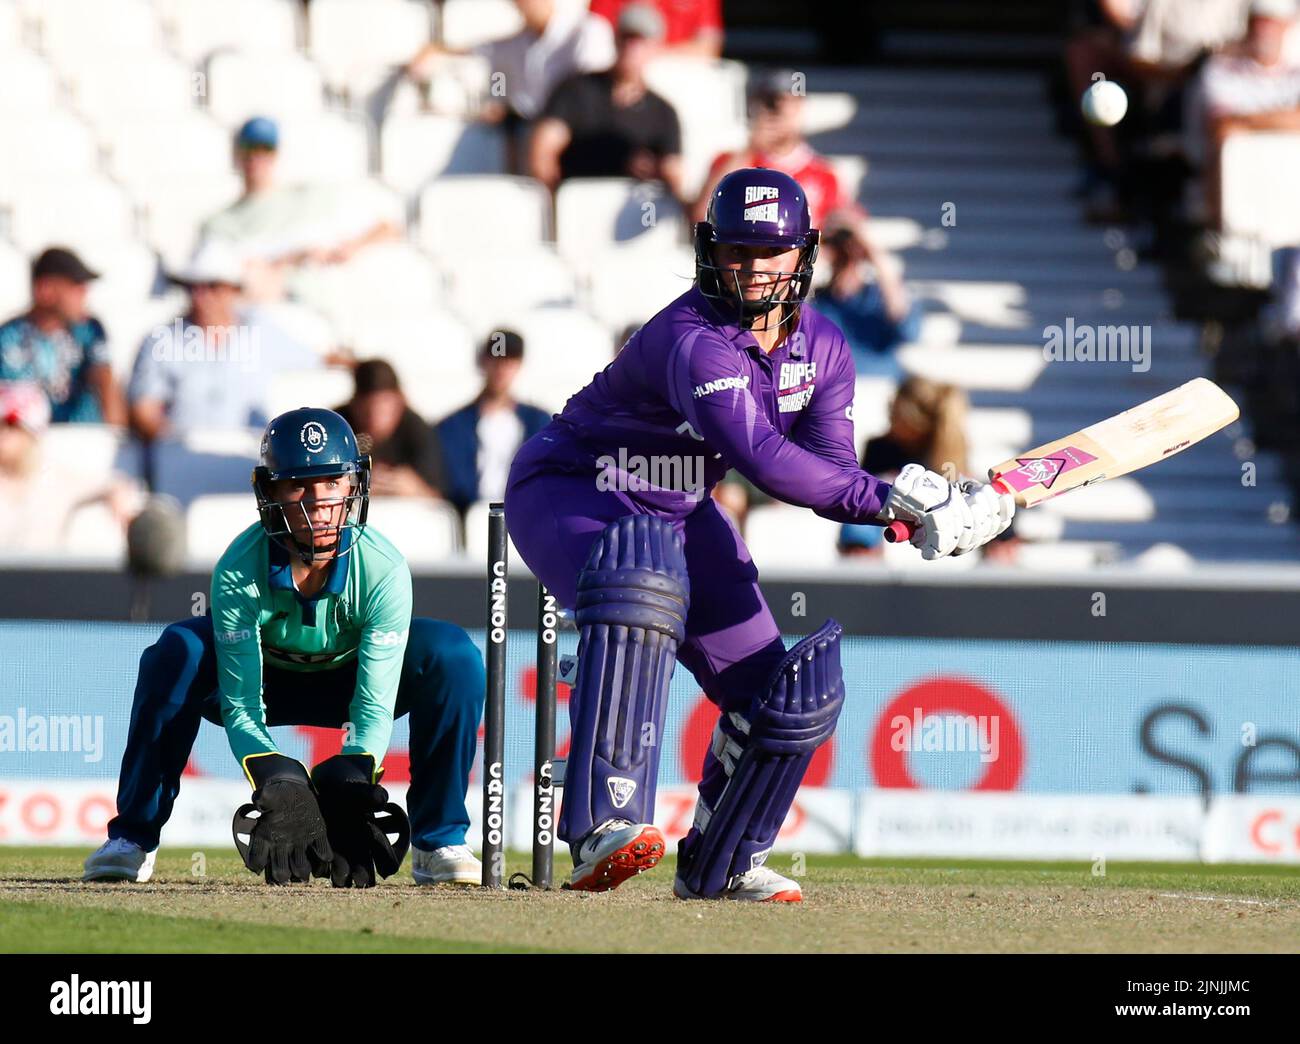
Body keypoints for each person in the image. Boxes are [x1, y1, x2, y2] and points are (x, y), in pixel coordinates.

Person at [503, 168, 1013, 901]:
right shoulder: (692, 338)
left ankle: (723, 861)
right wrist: (893, 493)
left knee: (786, 694)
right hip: (576, 486)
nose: (750, 265)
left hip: (678, 506)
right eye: (736, 248)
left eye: (769, 250)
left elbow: (831, 473)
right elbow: (765, 463)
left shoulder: (827, 348)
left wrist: (916, 509)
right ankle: (602, 827)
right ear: (711, 249)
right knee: (639, 576)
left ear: (803, 254)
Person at [83, 408, 486, 887]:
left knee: (453, 653)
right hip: (264, 682)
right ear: (269, 491)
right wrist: (275, 776)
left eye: (332, 482)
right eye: (299, 484)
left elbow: (374, 705)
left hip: (349, 682)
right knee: (177, 651)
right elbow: (240, 702)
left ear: (353, 485)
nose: (319, 502)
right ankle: (133, 837)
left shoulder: (383, 568)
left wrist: (355, 774)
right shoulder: (237, 568)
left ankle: (438, 840)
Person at [695, 69, 910, 322]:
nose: (781, 111)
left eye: (790, 103)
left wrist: (846, 257)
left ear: (802, 108)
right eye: (772, 103)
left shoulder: (823, 174)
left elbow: (845, 226)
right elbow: (701, 218)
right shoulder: (731, 163)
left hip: (801, 278)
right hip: (741, 275)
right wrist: (751, 148)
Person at [126, 241, 325, 444]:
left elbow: (319, 360)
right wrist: (180, 447)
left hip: (250, 459)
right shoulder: (161, 340)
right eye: (192, 287)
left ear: (233, 290)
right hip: (183, 458)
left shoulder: (262, 330)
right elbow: (144, 410)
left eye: (212, 286)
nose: (200, 296)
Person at [201, 117, 399, 298]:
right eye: (249, 148)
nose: (256, 157)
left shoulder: (313, 198)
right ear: (237, 154)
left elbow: (388, 228)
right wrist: (294, 258)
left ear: (276, 153)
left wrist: (352, 247)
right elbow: (222, 288)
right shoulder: (218, 224)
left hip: (318, 314)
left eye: (265, 148)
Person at [406, 0, 614, 166]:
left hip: (578, 135)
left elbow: (592, 94)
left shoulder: (587, 32)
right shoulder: (516, 42)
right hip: (528, 133)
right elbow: (481, 52)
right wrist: (436, 50)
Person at [529, 3, 683, 197]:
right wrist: (556, 205)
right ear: (615, 38)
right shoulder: (576, 91)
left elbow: (674, 174)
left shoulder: (663, 112)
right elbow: (543, 153)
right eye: (626, 37)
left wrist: (654, 171)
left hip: (632, 214)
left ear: (655, 47)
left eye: (640, 41)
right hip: (578, 208)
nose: (631, 47)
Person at [0, 380, 141, 555]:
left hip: (42, 578)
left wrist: (121, 502)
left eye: (11, 425)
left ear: (32, 431)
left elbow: (115, 484)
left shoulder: (57, 480)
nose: (3, 434)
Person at [0, 247, 125, 425]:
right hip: (27, 441)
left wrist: (117, 439)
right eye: (76, 287)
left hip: (85, 439)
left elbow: (106, 383)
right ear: (45, 290)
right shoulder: (7, 337)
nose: (84, 294)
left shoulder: (90, 330)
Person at [436, 330, 551, 516]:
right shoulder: (453, 427)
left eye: (509, 361)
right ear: (483, 361)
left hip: (525, 517)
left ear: (519, 365)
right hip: (468, 518)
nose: (501, 368)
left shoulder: (539, 423)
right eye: (496, 360)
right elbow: (451, 485)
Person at [812, 223, 920, 376]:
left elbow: (908, 330)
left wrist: (876, 257)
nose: (844, 257)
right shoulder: (818, 304)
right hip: (833, 388)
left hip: (879, 383)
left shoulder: (880, 297)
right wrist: (812, 258)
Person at [335, 359, 446, 499]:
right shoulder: (337, 429)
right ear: (354, 404)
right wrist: (355, 485)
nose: (375, 417)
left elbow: (440, 499)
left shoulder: (417, 431)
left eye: (384, 406)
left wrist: (416, 489)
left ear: (400, 401)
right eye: (367, 408)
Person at [589, 0, 723, 58]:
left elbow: (709, 47)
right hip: (614, 85)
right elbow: (594, 41)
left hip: (676, 76)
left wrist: (654, 54)